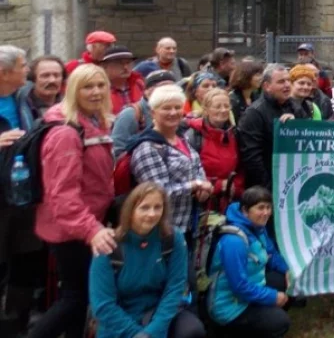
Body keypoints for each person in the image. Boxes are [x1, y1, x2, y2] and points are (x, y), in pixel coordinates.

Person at [31, 64, 116, 338]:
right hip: (71, 229)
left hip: (81, 223)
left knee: (78, 299)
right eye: (87, 87)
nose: (96, 92)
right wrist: (92, 230)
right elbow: (62, 195)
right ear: (72, 91)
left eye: (101, 85)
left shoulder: (90, 122)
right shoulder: (67, 133)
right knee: (75, 298)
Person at [89, 183, 204, 338]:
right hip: (119, 320)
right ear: (130, 211)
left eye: (158, 207)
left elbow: (174, 289)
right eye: (144, 207)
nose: (152, 214)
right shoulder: (108, 245)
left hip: (158, 314)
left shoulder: (172, 239)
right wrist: (137, 334)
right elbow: (103, 304)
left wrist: (152, 332)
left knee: (192, 330)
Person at [207, 187, 291, 338]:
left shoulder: (258, 227)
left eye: (268, 207)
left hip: (248, 292)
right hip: (229, 307)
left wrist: (287, 270)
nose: (266, 213)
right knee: (281, 322)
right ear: (245, 210)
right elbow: (239, 286)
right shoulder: (233, 241)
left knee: (283, 282)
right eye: (260, 208)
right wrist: (272, 297)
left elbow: (271, 253)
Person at [0, 46, 43, 336]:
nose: (28, 69)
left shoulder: (24, 99)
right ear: (4, 73)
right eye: (23, 65)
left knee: (27, 262)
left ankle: (17, 325)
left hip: (24, 195)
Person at [130, 86, 212, 232]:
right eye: (166, 108)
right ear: (153, 112)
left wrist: (203, 187)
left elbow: (197, 166)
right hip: (161, 230)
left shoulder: (182, 139)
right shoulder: (147, 148)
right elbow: (157, 193)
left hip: (188, 225)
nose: (173, 112)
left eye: (177, 107)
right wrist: (195, 185)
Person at [238, 65, 306, 193]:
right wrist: (270, 188)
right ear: (266, 86)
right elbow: (252, 157)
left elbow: (307, 140)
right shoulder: (254, 113)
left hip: (293, 182)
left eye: (288, 80)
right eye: (281, 82)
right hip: (266, 188)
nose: (287, 85)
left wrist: (296, 125)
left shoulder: (296, 108)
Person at [184, 88, 243, 205]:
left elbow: (241, 168)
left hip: (229, 201)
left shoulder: (235, 134)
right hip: (202, 203)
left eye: (226, 106)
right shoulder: (194, 136)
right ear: (206, 109)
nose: (223, 110)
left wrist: (235, 186)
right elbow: (188, 174)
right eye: (217, 106)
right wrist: (219, 185)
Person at [112, 70, 177, 159]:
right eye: (162, 89)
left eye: (172, 89)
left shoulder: (176, 113)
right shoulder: (130, 114)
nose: (168, 93)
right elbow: (117, 152)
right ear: (147, 91)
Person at [101, 45, 145, 116]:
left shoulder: (140, 85)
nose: (125, 67)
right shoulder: (99, 89)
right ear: (105, 66)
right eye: (119, 63)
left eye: (128, 62)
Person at [21, 55, 65, 123]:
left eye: (57, 75)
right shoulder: (22, 106)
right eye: (45, 76)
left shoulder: (69, 105)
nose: (52, 80)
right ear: (33, 79)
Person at [228, 61, 264, 125]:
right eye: (257, 75)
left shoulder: (257, 97)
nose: (261, 78)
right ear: (246, 77)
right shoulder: (233, 100)